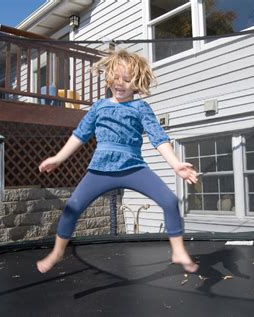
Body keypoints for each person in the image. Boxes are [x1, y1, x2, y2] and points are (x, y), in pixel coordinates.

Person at [37, 49, 200, 274]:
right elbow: (80, 134)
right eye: (115, 78)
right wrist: (58, 158)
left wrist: (175, 164)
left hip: (133, 168)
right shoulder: (99, 107)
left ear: (137, 83)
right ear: (109, 78)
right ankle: (57, 252)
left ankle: (178, 250)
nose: (119, 83)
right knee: (71, 208)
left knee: (170, 201)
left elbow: (158, 137)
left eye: (126, 79)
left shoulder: (140, 107)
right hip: (100, 170)